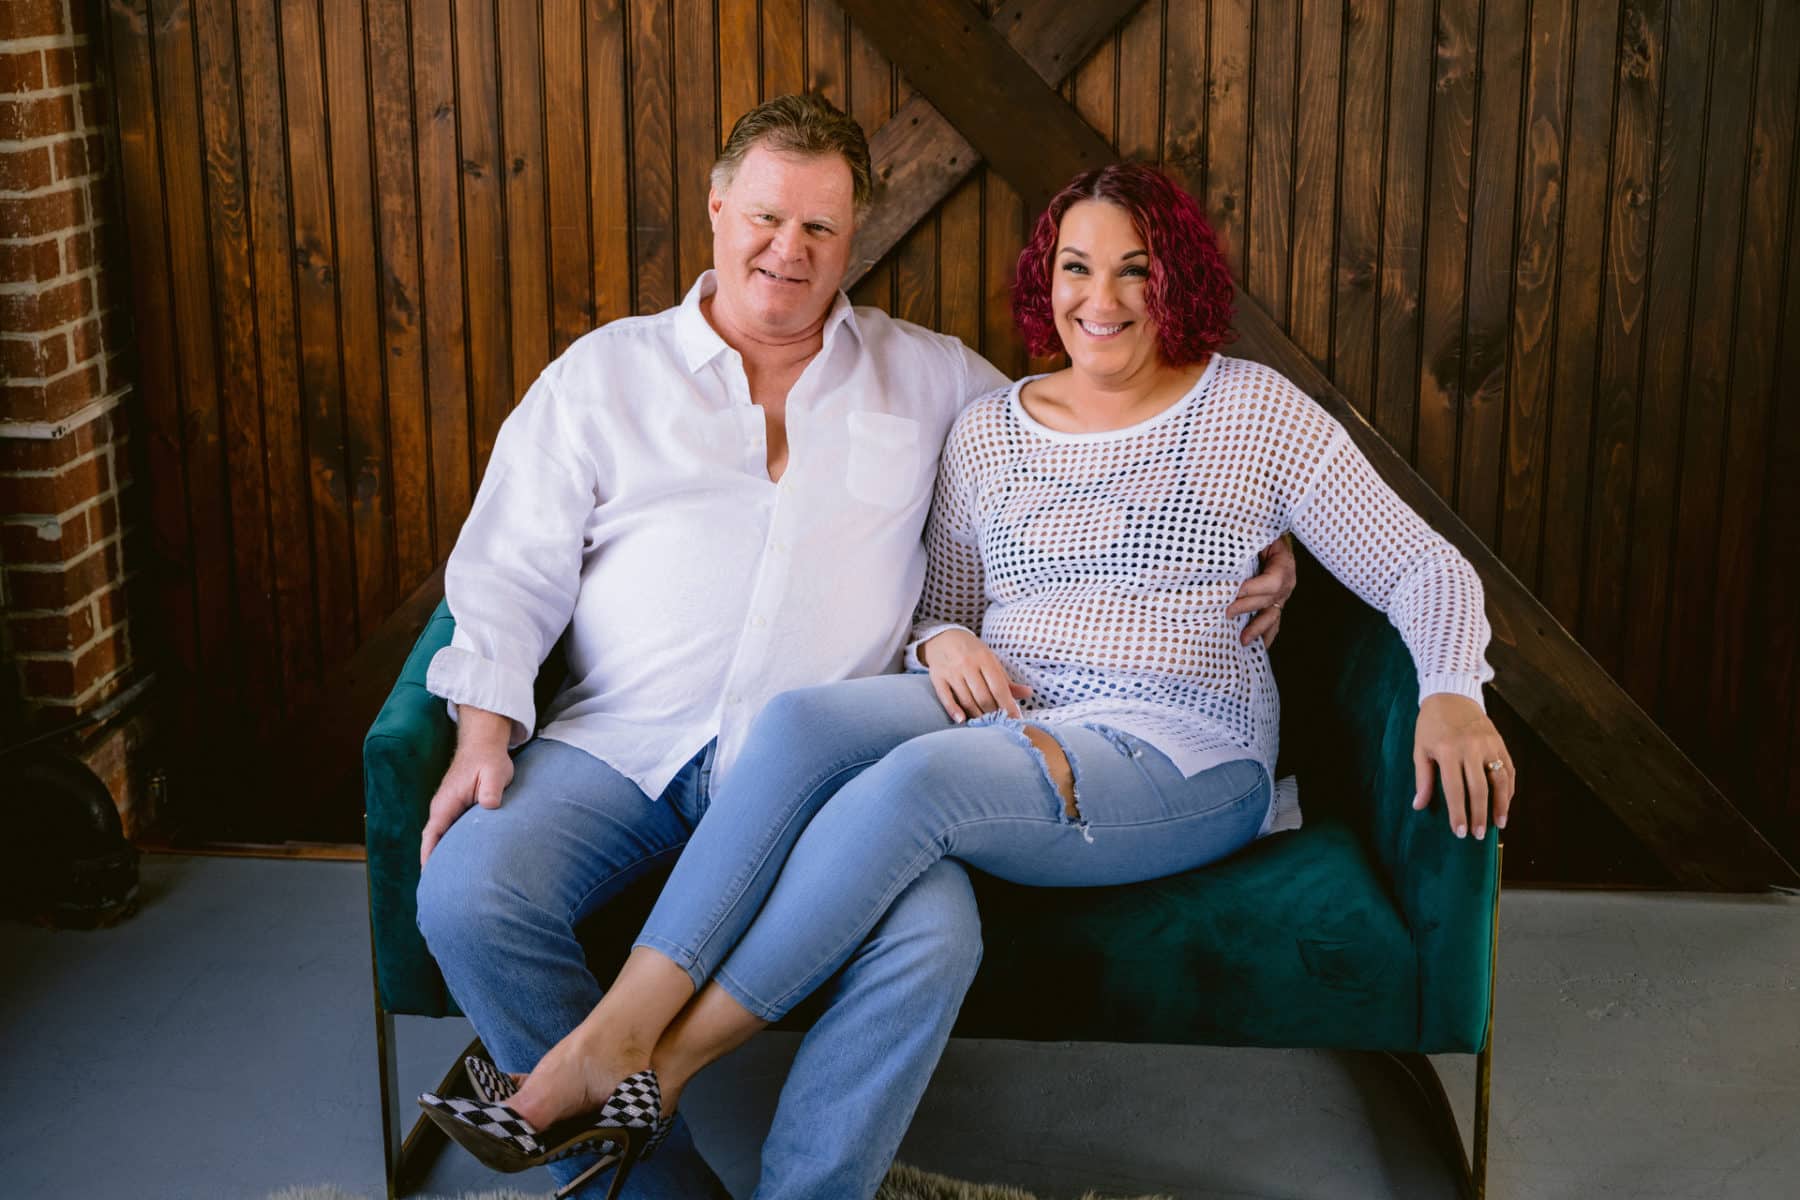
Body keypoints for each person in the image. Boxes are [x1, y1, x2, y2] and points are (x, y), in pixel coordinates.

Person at [435, 161, 1515, 1195]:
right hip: (1015, 708)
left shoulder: (1255, 416)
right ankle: (621, 1041)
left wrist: (1451, 687)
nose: (1105, 298)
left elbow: (1417, 563)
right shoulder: (991, 429)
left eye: (1138, 268)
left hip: (1183, 742)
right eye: (1078, 268)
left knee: (912, 788)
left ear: (1179, 279)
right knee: (805, 724)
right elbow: (943, 602)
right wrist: (939, 641)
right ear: (1045, 284)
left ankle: (645, 1066)